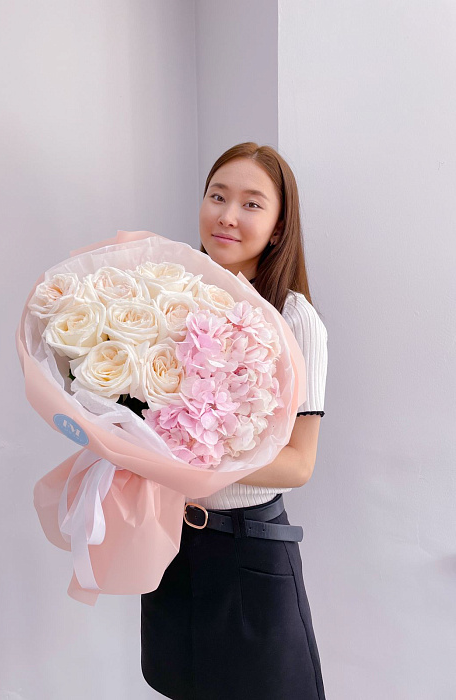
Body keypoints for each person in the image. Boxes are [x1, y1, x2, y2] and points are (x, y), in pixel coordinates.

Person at [140, 142, 328, 700]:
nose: (226, 214)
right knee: (177, 685)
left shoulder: (297, 321)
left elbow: (299, 463)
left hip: (250, 551)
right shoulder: (167, 302)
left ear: (277, 228)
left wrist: (192, 452)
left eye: (251, 203)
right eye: (217, 196)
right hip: (173, 545)